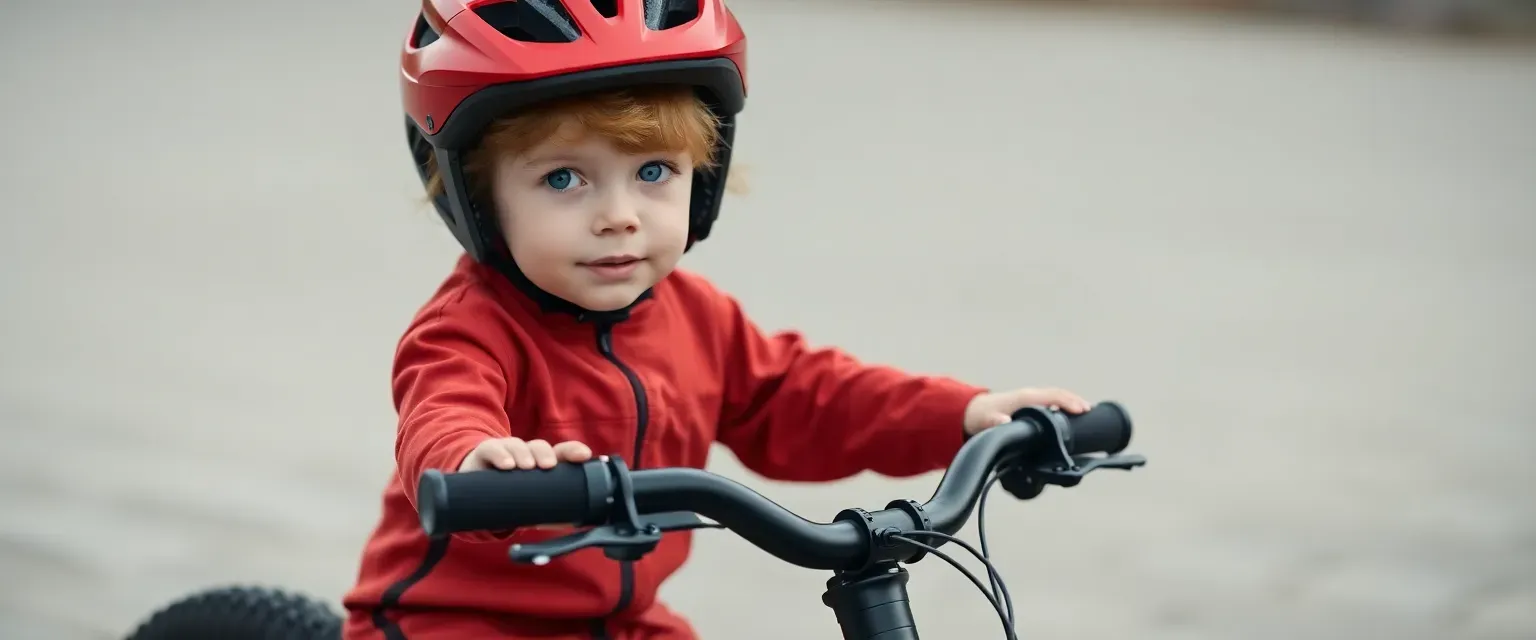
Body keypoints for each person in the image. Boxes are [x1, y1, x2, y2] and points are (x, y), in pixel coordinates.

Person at [342, 1, 1094, 638]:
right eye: (563, 178)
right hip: (454, 624)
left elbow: (806, 396)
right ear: (474, 199)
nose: (620, 217)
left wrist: (965, 415)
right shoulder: (468, 328)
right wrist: (475, 460)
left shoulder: (696, 317)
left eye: (654, 172)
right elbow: (441, 410)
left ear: (703, 178)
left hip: (625, 623)